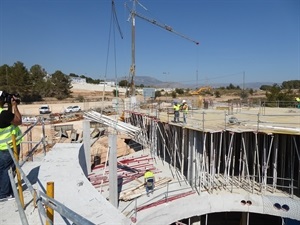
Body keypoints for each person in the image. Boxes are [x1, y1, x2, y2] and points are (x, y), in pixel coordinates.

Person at [0, 91, 22, 200]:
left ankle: (3, 191)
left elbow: (7, 120)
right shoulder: (3, 114)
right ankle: (5, 194)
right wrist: (14, 106)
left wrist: (9, 106)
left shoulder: (3, 114)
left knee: (2, 169)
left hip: (1, 146)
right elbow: (18, 121)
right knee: (8, 170)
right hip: (9, 146)